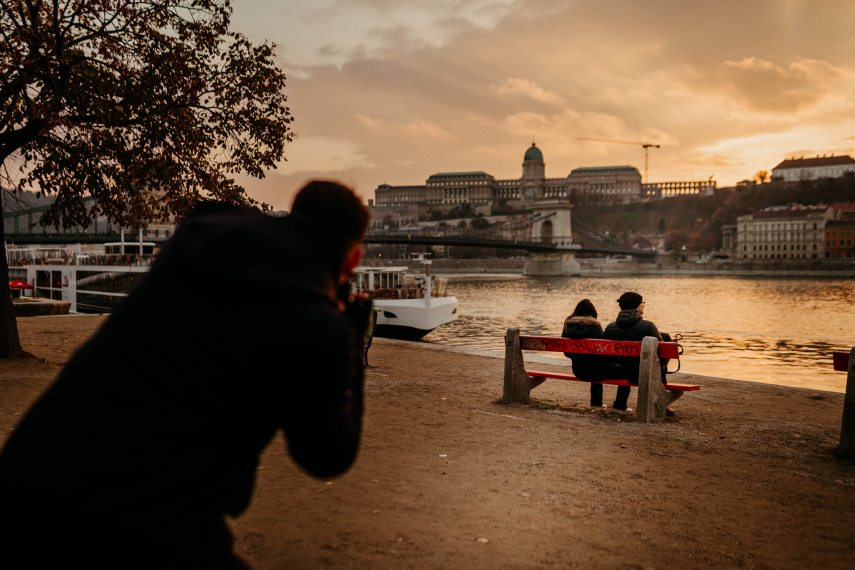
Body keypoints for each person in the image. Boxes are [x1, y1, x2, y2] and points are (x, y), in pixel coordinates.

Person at [0, 180, 372, 569]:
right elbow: (326, 456)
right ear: (351, 259)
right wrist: (349, 336)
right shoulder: (316, 324)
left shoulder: (199, 244)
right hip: (144, 512)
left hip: (33, 469)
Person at [603, 291, 669, 412]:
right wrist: (662, 365)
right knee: (658, 360)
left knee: (626, 362)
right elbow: (662, 353)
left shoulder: (610, 327)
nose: (643, 305)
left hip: (615, 372)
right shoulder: (648, 326)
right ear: (638, 306)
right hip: (640, 374)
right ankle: (661, 403)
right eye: (642, 303)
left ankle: (620, 404)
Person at [561, 299, 608, 408]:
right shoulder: (595, 326)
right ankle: (596, 404)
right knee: (597, 367)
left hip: (577, 370)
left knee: (595, 366)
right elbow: (602, 351)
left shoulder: (568, 325)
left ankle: (596, 404)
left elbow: (566, 352)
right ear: (593, 312)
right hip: (595, 372)